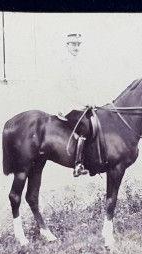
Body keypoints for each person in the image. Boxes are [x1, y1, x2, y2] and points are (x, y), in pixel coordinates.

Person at [57, 33, 90, 177]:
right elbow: (67, 89)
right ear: (67, 46)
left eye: (78, 44)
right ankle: (78, 164)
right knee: (85, 127)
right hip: (69, 106)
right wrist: (85, 102)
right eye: (73, 44)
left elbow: (83, 87)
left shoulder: (80, 63)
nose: (76, 47)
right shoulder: (65, 64)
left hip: (81, 105)